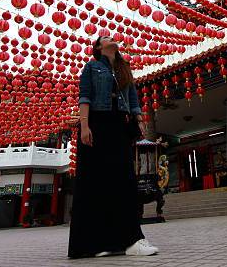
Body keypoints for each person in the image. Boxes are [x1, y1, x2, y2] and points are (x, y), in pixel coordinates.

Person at [68, 36, 159, 258]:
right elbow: (85, 96)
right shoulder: (91, 66)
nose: (112, 38)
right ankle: (97, 244)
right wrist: (85, 125)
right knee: (95, 183)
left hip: (119, 124)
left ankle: (131, 240)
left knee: (123, 179)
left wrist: (139, 121)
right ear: (98, 47)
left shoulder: (123, 67)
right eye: (106, 37)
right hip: (97, 125)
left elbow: (133, 99)